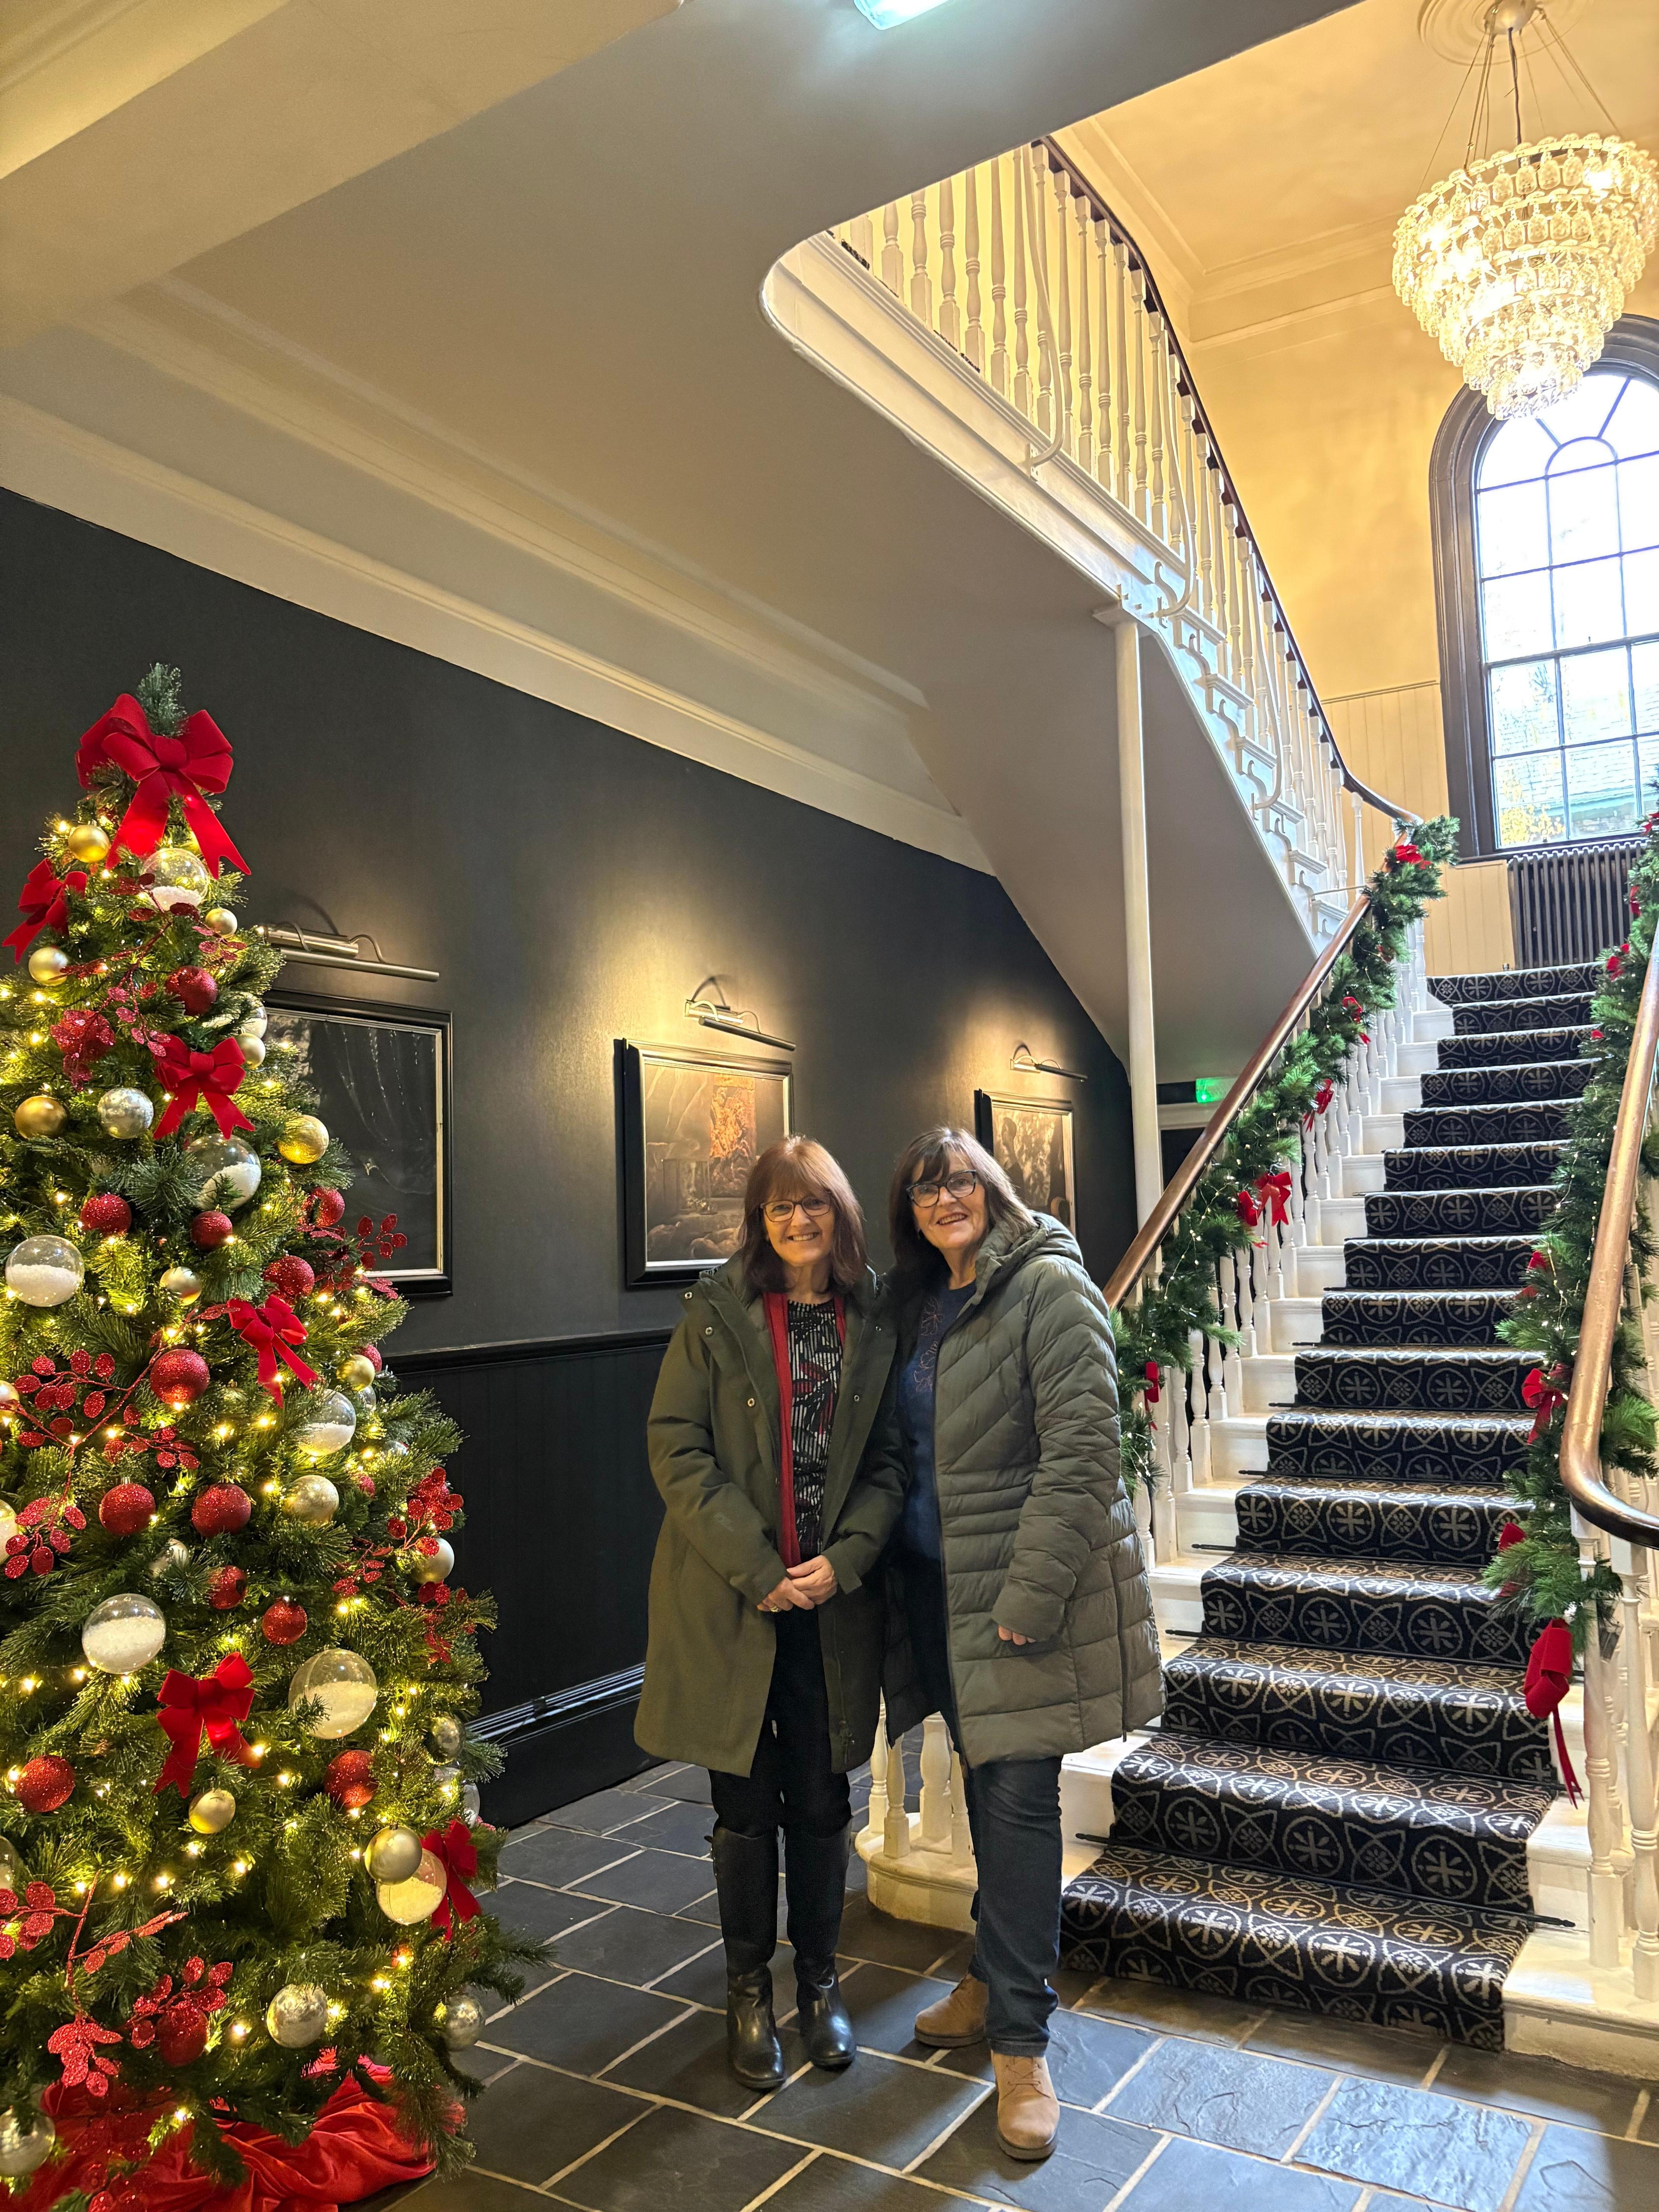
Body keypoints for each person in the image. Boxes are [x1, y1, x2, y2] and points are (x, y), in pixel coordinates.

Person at [883, 1128, 1160, 2161]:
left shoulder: (1048, 1284)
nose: (944, 1199)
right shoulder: (921, 1301)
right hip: (935, 1591)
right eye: (924, 1189)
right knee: (981, 1788)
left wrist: (1031, 1594)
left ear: (993, 1186)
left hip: (1016, 1595)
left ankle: (1020, 2044)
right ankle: (988, 1976)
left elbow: (1084, 1453)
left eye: (960, 1180)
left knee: (1015, 1803)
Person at [637, 1136, 906, 2090]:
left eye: (815, 1203)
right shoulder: (716, 1313)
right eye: (779, 1206)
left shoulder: (875, 1316)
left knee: (825, 1800)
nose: (798, 1220)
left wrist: (848, 1557)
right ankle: (747, 1989)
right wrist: (760, 1568)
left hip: (832, 1605)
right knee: (746, 1806)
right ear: (759, 1220)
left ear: (841, 1213)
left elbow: (892, 1462)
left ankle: (820, 1983)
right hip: (735, 1599)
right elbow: (677, 1448)